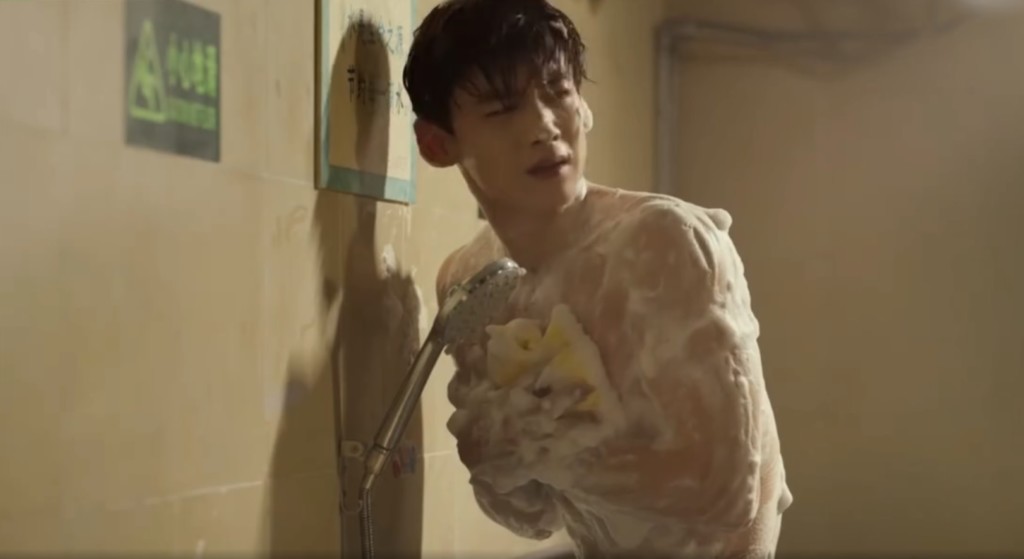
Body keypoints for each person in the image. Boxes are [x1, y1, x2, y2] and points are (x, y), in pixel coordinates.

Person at [402, 0, 793, 557]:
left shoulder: (661, 244)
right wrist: (492, 456)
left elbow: (726, 491)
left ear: (583, 108)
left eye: (557, 91)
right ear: (437, 145)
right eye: (503, 109)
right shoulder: (474, 283)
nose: (543, 126)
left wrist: (542, 449)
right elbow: (533, 518)